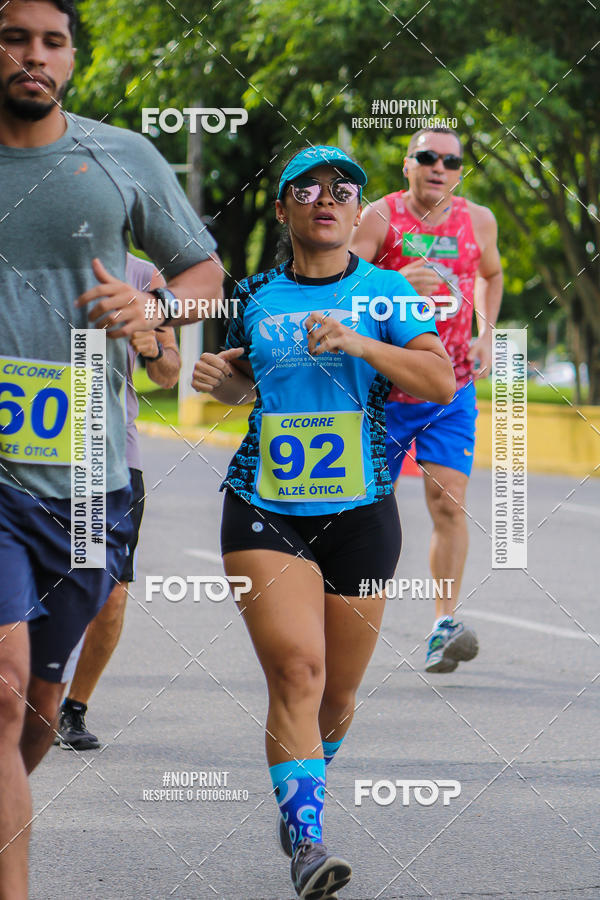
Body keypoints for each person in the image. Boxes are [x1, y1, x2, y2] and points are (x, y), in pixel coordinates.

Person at [192, 145, 455, 899]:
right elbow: (249, 385)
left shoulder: (389, 293)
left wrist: (359, 341)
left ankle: (302, 776)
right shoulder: (255, 294)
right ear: (284, 211)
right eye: (305, 189)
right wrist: (221, 380)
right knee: (297, 672)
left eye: (343, 189)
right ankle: (307, 841)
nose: (326, 198)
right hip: (263, 505)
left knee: (337, 694)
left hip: (363, 513)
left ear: (356, 210)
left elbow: (439, 380)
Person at [0, 2, 222, 895]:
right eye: (14, 36)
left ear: (73, 59)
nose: (33, 56)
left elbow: (208, 280)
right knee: (4, 683)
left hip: (91, 482)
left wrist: (159, 311)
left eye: (52, 42)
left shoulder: (120, 155)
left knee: (39, 716)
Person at [352, 126, 503, 674]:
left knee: (448, 502)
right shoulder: (377, 218)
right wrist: (389, 279)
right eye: (428, 157)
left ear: (460, 170)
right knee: (367, 511)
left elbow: (491, 273)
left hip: (452, 386)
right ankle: (348, 614)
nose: (440, 166)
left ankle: (444, 623)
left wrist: (487, 331)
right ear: (407, 164)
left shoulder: (478, 220)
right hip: (381, 392)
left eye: (451, 160)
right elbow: (341, 284)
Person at [56, 254, 181, 750]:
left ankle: (74, 706)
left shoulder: (143, 276)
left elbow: (169, 374)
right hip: (27, 456)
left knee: (108, 593)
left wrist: (152, 346)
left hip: (106, 457)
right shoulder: (26, 253)